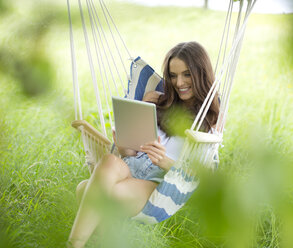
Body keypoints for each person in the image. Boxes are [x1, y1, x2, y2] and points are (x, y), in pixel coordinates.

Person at [67, 41, 220, 248]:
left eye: (187, 74)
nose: (179, 83)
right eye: (173, 76)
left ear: (200, 74)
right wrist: (123, 145)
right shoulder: (156, 100)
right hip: (127, 168)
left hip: (160, 187)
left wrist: (164, 161)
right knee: (109, 160)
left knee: (87, 190)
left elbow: (199, 176)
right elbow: (130, 151)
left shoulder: (211, 117)